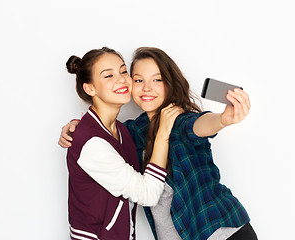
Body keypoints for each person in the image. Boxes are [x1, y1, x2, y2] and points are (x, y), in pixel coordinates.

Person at [59, 47, 257, 240]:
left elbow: (199, 126)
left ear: (170, 83)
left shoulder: (179, 121)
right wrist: (76, 126)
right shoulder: (132, 131)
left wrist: (222, 119)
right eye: (138, 80)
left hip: (220, 232)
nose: (147, 88)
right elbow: (100, 135)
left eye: (157, 79)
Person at [63, 47, 183, 240]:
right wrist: (163, 132)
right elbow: (148, 194)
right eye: (108, 76)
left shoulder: (121, 130)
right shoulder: (91, 143)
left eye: (123, 71)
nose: (121, 79)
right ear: (90, 88)